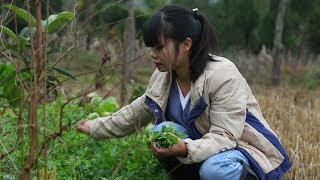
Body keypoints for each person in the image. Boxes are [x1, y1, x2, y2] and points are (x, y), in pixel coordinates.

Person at [77, 4, 292, 180]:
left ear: (186, 44)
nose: (153, 55)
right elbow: (135, 112)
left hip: (241, 150)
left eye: (159, 47)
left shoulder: (222, 75)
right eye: (151, 48)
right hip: (201, 148)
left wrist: (184, 149)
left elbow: (225, 137)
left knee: (215, 170)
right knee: (161, 131)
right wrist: (95, 127)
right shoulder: (163, 76)